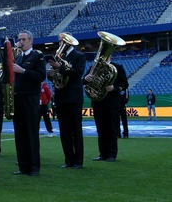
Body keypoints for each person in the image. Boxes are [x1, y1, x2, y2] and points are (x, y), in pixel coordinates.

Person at [48, 34, 86, 170]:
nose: (59, 44)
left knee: (76, 130)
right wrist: (51, 73)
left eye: (62, 41)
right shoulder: (59, 57)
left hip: (74, 98)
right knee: (64, 131)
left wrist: (60, 66)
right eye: (59, 41)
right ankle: (68, 159)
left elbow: (78, 74)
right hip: (61, 97)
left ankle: (78, 161)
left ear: (69, 43)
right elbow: (55, 77)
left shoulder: (79, 56)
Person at [12, 30, 46, 176]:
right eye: (20, 39)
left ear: (31, 41)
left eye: (24, 39)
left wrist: (23, 71)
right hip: (18, 98)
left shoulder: (37, 56)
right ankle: (22, 166)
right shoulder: (18, 57)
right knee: (20, 134)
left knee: (31, 134)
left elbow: (40, 76)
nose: (21, 42)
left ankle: (33, 167)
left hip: (31, 99)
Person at [87, 61, 128, 162]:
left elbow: (125, 84)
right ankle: (103, 154)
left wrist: (115, 87)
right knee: (100, 129)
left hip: (112, 102)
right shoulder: (94, 67)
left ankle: (112, 154)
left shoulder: (118, 66)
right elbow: (85, 80)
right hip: (98, 102)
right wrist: (86, 78)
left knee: (112, 129)